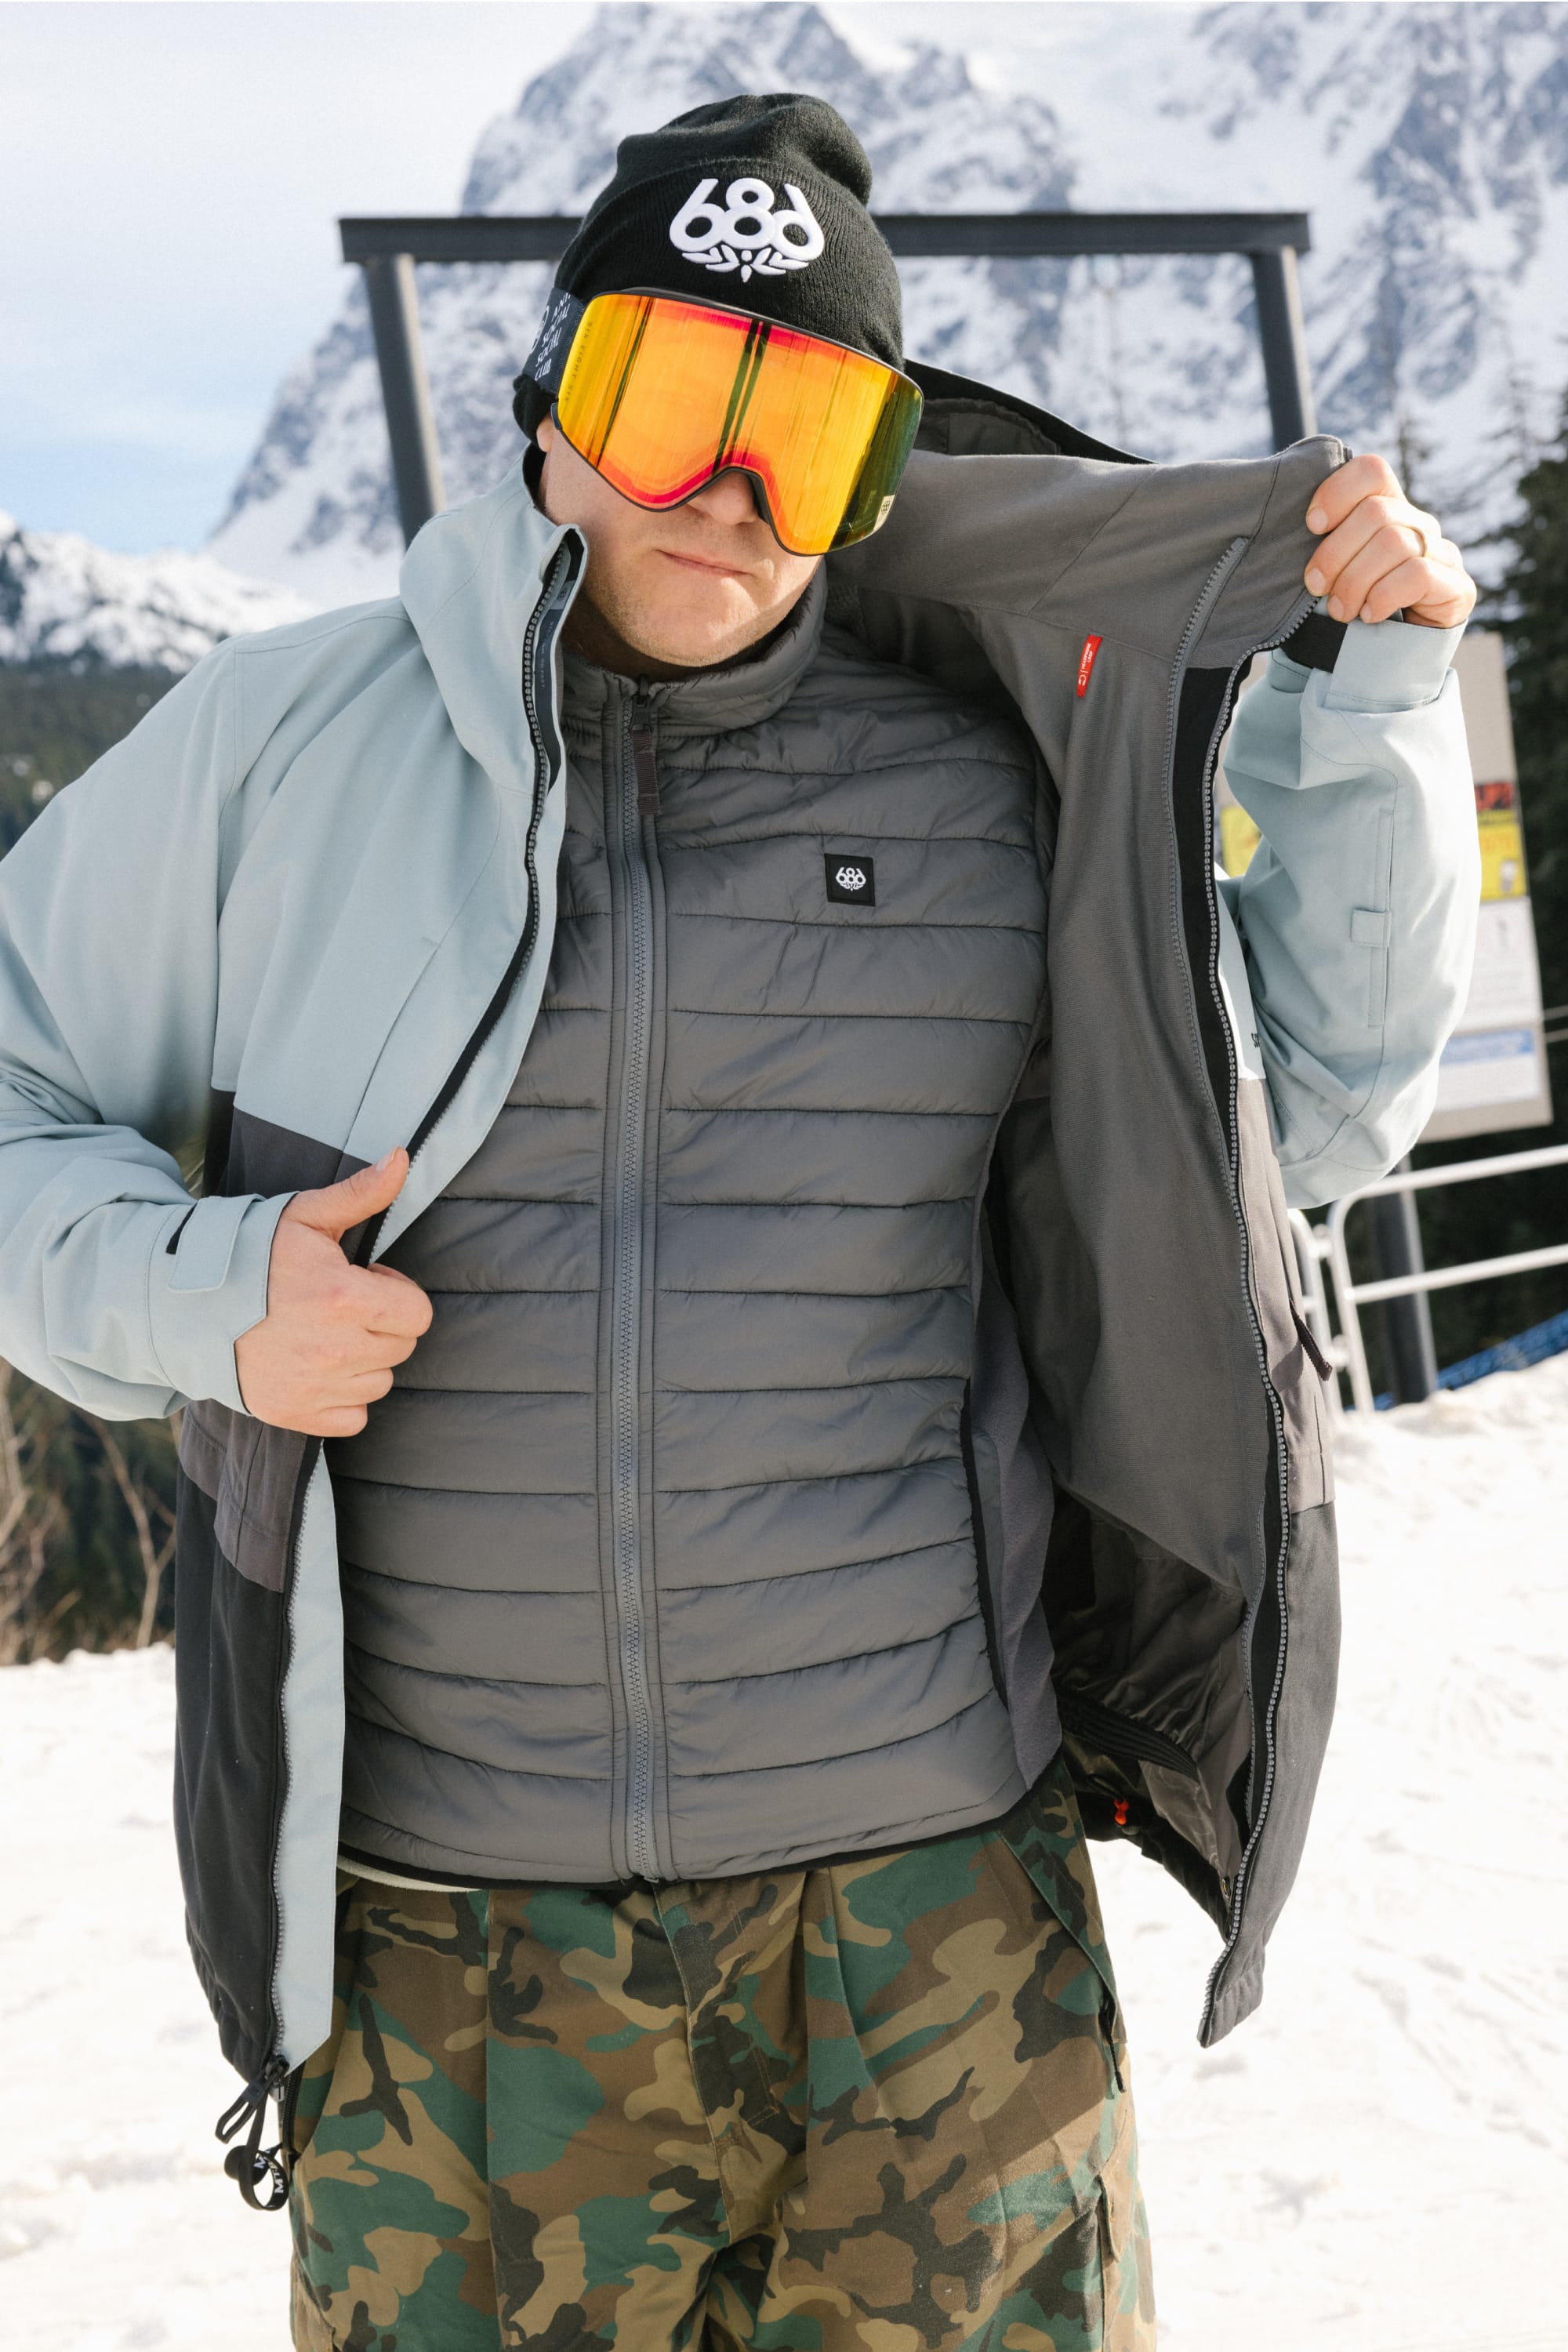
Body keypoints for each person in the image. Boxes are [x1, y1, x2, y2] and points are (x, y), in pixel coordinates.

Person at [0, 93, 1478, 2352]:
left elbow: (1322, 1118)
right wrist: (213, 1299)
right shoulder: (283, 752)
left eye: (806, 431)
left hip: (935, 1950)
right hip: (456, 1968)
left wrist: (1366, 705)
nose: (724, 490)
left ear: (883, 470)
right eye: (669, 398)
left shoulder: (985, 787)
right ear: (556, 403)